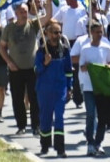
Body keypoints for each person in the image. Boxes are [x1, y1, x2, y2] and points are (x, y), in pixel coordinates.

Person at [0, 0, 52, 136]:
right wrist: (9, 62)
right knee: (17, 98)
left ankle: (36, 125)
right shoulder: (9, 28)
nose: (24, 14)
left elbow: (48, 16)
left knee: (34, 98)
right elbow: (2, 47)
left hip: (32, 68)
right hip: (15, 69)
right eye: (21, 12)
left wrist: (49, 1)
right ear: (16, 13)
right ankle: (21, 125)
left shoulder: (33, 25)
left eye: (26, 11)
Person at [35, 20, 73, 158]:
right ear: (47, 34)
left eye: (59, 32)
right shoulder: (41, 51)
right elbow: (36, 69)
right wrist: (44, 63)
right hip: (44, 89)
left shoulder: (65, 50)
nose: (58, 35)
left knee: (59, 117)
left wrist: (69, 87)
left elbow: (69, 70)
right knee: (45, 118)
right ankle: (45, 145)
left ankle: (60, 148)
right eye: (55, 32)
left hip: (60, 89)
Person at [79, 22, 110, 157]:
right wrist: (88, 66)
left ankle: (98, 142)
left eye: (101, 32)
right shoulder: (85, 49)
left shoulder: (106, 47)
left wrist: (108, 67)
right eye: (97, 32)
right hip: (89, 87)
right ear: (91, 33)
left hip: (102, 87)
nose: (99, 35)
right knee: (90, 115)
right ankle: (90, 142)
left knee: (102, 116)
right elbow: (81, 67)